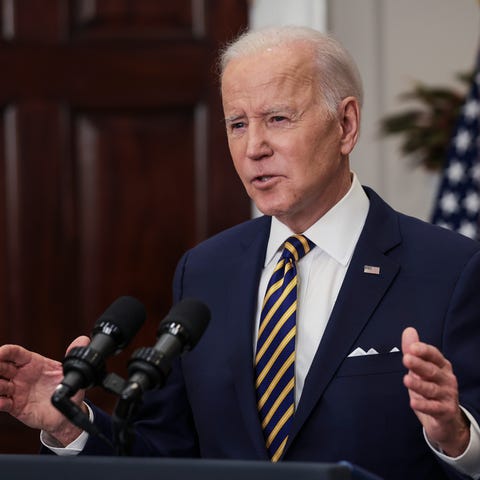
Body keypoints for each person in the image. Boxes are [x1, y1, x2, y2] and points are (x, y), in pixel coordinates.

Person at [1, 25, 480, 480]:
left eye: (277, 119)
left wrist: (456, 438)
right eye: (237, 123)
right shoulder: (205, 271)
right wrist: (69, 422)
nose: (254, 148)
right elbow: (164, 456)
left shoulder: (450, 269)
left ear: (346, 124)